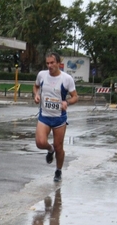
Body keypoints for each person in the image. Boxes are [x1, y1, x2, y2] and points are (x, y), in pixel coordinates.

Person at [33, 52, 78, 182]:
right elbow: (35, 87)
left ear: (58, 63)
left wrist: (67, 102)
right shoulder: (42, 75)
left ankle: (58, 171)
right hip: (44, 116)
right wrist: (36, 95)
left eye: (52, 63)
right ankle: (49, 148)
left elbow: (75, 97)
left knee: (59, 148)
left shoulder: (66, 79)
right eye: (47, 63)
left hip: (59, 118)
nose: (50, 66)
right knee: (40, 143)